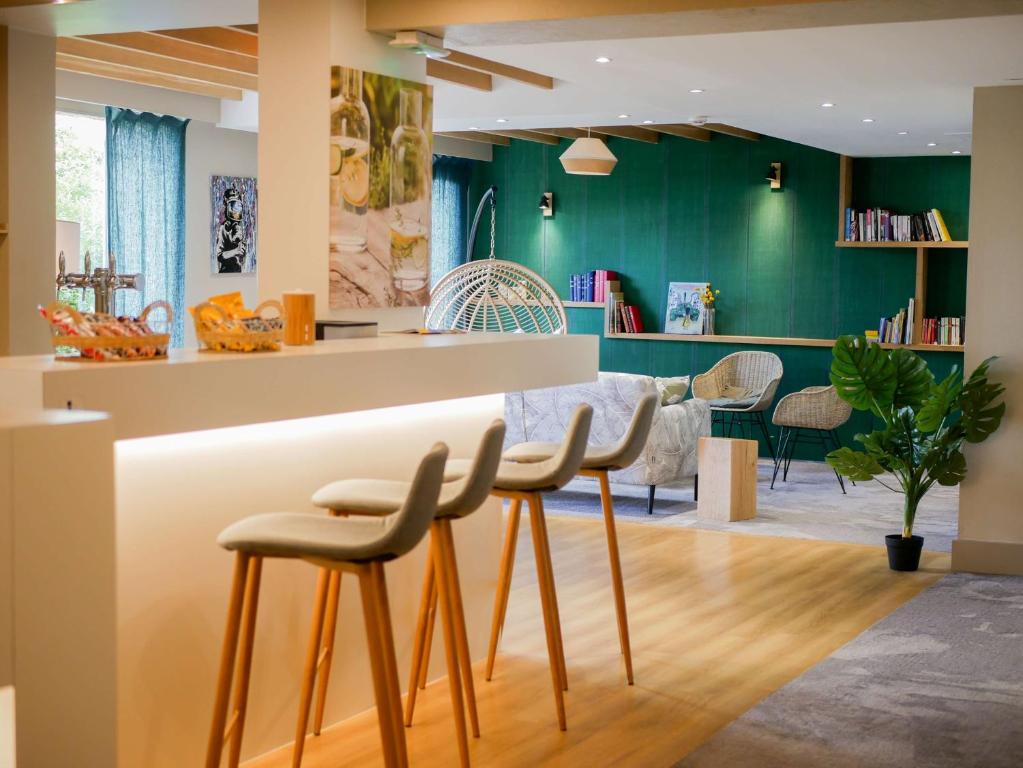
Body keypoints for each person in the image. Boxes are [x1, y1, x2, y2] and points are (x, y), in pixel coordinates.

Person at [215, 186, 247, 273]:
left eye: (238, 207)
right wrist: (235, 251)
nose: (235, 211)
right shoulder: (223, 229)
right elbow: (219, 256)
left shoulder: (239, 229)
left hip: (238, 272)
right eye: (233, 206)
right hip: (226, 272)